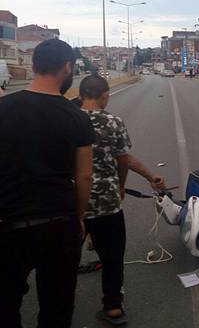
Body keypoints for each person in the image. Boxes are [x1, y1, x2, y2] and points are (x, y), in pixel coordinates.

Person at [0, 38, 94, 328]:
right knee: (56, 307)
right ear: (67, 67)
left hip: (7, 223)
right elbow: (84, 176)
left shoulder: (4, 108)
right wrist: (79, 217)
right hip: (58, 223)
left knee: (5, 305)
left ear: (34, 65)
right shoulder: (77, 118)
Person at [78, 75, 164, 326]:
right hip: (107, 204)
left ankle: (59, 307)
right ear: (105, 95)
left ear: (82, 94)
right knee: (113, 257)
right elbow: (123, 160)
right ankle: (113, 307)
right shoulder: (112, 121)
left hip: (73, 206)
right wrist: (122, 186)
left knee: (63, 259)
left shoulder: (67, 120)